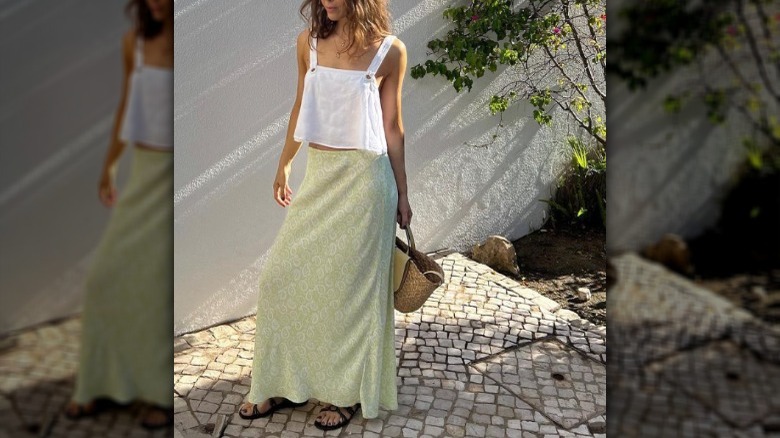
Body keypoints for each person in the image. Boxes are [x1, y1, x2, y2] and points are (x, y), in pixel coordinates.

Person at [238, 0, 410, 431]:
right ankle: (279, 381)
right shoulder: (308, 44)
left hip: (367, 182)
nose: (328, 1)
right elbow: (300, 106)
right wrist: (284, 162)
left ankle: (345, 393)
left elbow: (393, 126)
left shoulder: (390, 51)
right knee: (279, 277)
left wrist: (403, 193)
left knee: (349, 292)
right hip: (320, 175)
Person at [64, 0, 173, 430]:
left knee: (155, 290)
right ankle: (97, 384)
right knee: (104, 278)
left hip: (171, 177)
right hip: (144, 175)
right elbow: (128, 106)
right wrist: (110, 164)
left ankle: (158, 394)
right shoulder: (136, 44)